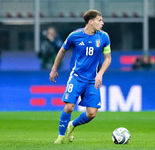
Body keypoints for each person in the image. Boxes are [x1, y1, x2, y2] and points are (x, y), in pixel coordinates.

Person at [49, 10, 111, 144]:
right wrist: (54, 69)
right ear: (91, 21)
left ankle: (72, 125)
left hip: (92, 80)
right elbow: (62, 51)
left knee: (91, 114)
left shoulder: (104, 37)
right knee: (69, 107)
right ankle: (60, 136)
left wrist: (100, 74)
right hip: (76, 77)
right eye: (100, 20)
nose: (102, 23)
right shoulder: (75, 35)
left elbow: (108, 58)